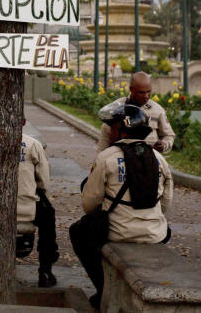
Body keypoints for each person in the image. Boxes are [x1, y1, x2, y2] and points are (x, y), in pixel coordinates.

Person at [72, 104, 174, 309]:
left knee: (79, 231)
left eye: (113, 127)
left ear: (121, 129)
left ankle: (104, 289)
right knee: (167, 230)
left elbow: (88, 205)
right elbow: (165, 205)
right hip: (155, 233)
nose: (109, 131)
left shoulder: (107, 157)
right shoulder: (159, 159)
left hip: (118, 233)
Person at [16, 121, 59, 287]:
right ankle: (46, 269)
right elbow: (43, 183)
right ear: (23, 122)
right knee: (49, 215)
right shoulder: (32, 144)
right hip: (26, 208)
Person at [96, 72, 175, 154]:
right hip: (120, 158)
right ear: (131, 89)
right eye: (141, 92)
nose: (146, 96)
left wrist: (164, 145)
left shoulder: (157, 110)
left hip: (150, 159)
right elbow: (104, 140)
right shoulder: (117, 108)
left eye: (149, 91)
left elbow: (169, 135)